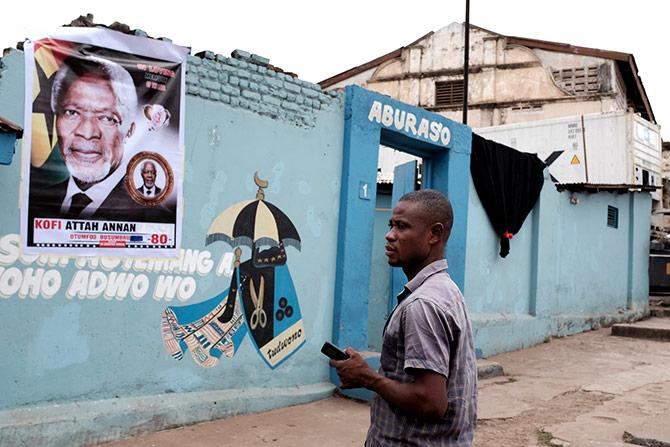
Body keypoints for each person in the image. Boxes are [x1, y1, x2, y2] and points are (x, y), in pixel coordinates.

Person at [330, 189, 477, 446]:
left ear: (434, 234)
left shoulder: (423, 304)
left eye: (401, 227)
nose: (389, 235)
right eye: (390, 225)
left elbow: (430, 402)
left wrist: (368, 378)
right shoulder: (445, 289)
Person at [28, 55, 172, 226]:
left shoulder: (155, 218)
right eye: (72, 113)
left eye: (107, 118)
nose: (87, 133)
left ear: (129, 131)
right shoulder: (37, 203)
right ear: (55, 118)